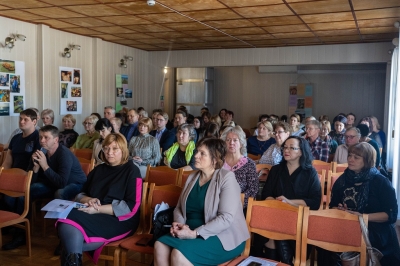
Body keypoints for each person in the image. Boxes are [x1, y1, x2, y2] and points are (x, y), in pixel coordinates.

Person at [154, 138, 249, 266]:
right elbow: (179, 208)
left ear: (214, 160)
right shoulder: (192, 177)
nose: (196, 156)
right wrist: (180, 225)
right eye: (197, 152)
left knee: (179, 254)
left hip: (222, 236)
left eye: (202, 153)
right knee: (160, 245)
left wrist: (195, 233)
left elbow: (226, 218)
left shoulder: (227, 178)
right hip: (190, 230)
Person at [56, 133, 142, 265]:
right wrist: (88, 200)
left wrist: (98, 209)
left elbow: (131, 206)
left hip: (119, 218)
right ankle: (74, 258)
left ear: (123, 150)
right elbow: (80, 194)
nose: (109, 152)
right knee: (65, 215)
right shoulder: (99, 169)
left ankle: (71, 256)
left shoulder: (132, 170)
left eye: (115, 149)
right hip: (93, 211)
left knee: (69, 228)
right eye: (106, 148)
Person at [319, 142, 400, 266]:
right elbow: (333, 206)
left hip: (374, 231)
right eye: (349, 156)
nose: (350, 159)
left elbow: (391, 215)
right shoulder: (342, 180)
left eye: (356, 157)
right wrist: (340, 210)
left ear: (367, 160)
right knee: (323, 242)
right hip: (346, 226)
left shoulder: (381, 182)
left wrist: (361, 216)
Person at [260, 136, 321, 264]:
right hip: (276, 212)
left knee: (276, 231)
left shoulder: (310, 172)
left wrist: (289, 203)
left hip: (300, 216)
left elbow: (314, 202)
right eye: (285, 147)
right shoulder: (276, 169)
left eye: (292, 148)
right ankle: (286, 262)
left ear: (301, 152)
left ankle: (284, 262)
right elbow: (266, 193)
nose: (286, 150)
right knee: (275, 227)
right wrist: (278, 203)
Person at [220, 126, 258, 209]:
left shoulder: (249, 164)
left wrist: (237, 203)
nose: (231, 143)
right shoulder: (218, 162)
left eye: (235, 140)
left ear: (241, 144)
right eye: (228, 140)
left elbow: (253, 190)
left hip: (240, 207)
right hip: (218, 205)